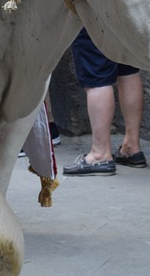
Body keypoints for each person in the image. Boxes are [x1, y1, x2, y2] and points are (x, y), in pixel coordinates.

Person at [62, 28, 145, 176]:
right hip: (124, 10)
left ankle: (99, 155)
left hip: (94, 11)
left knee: (95, 73)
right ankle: (132, 146)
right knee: (128, 68)